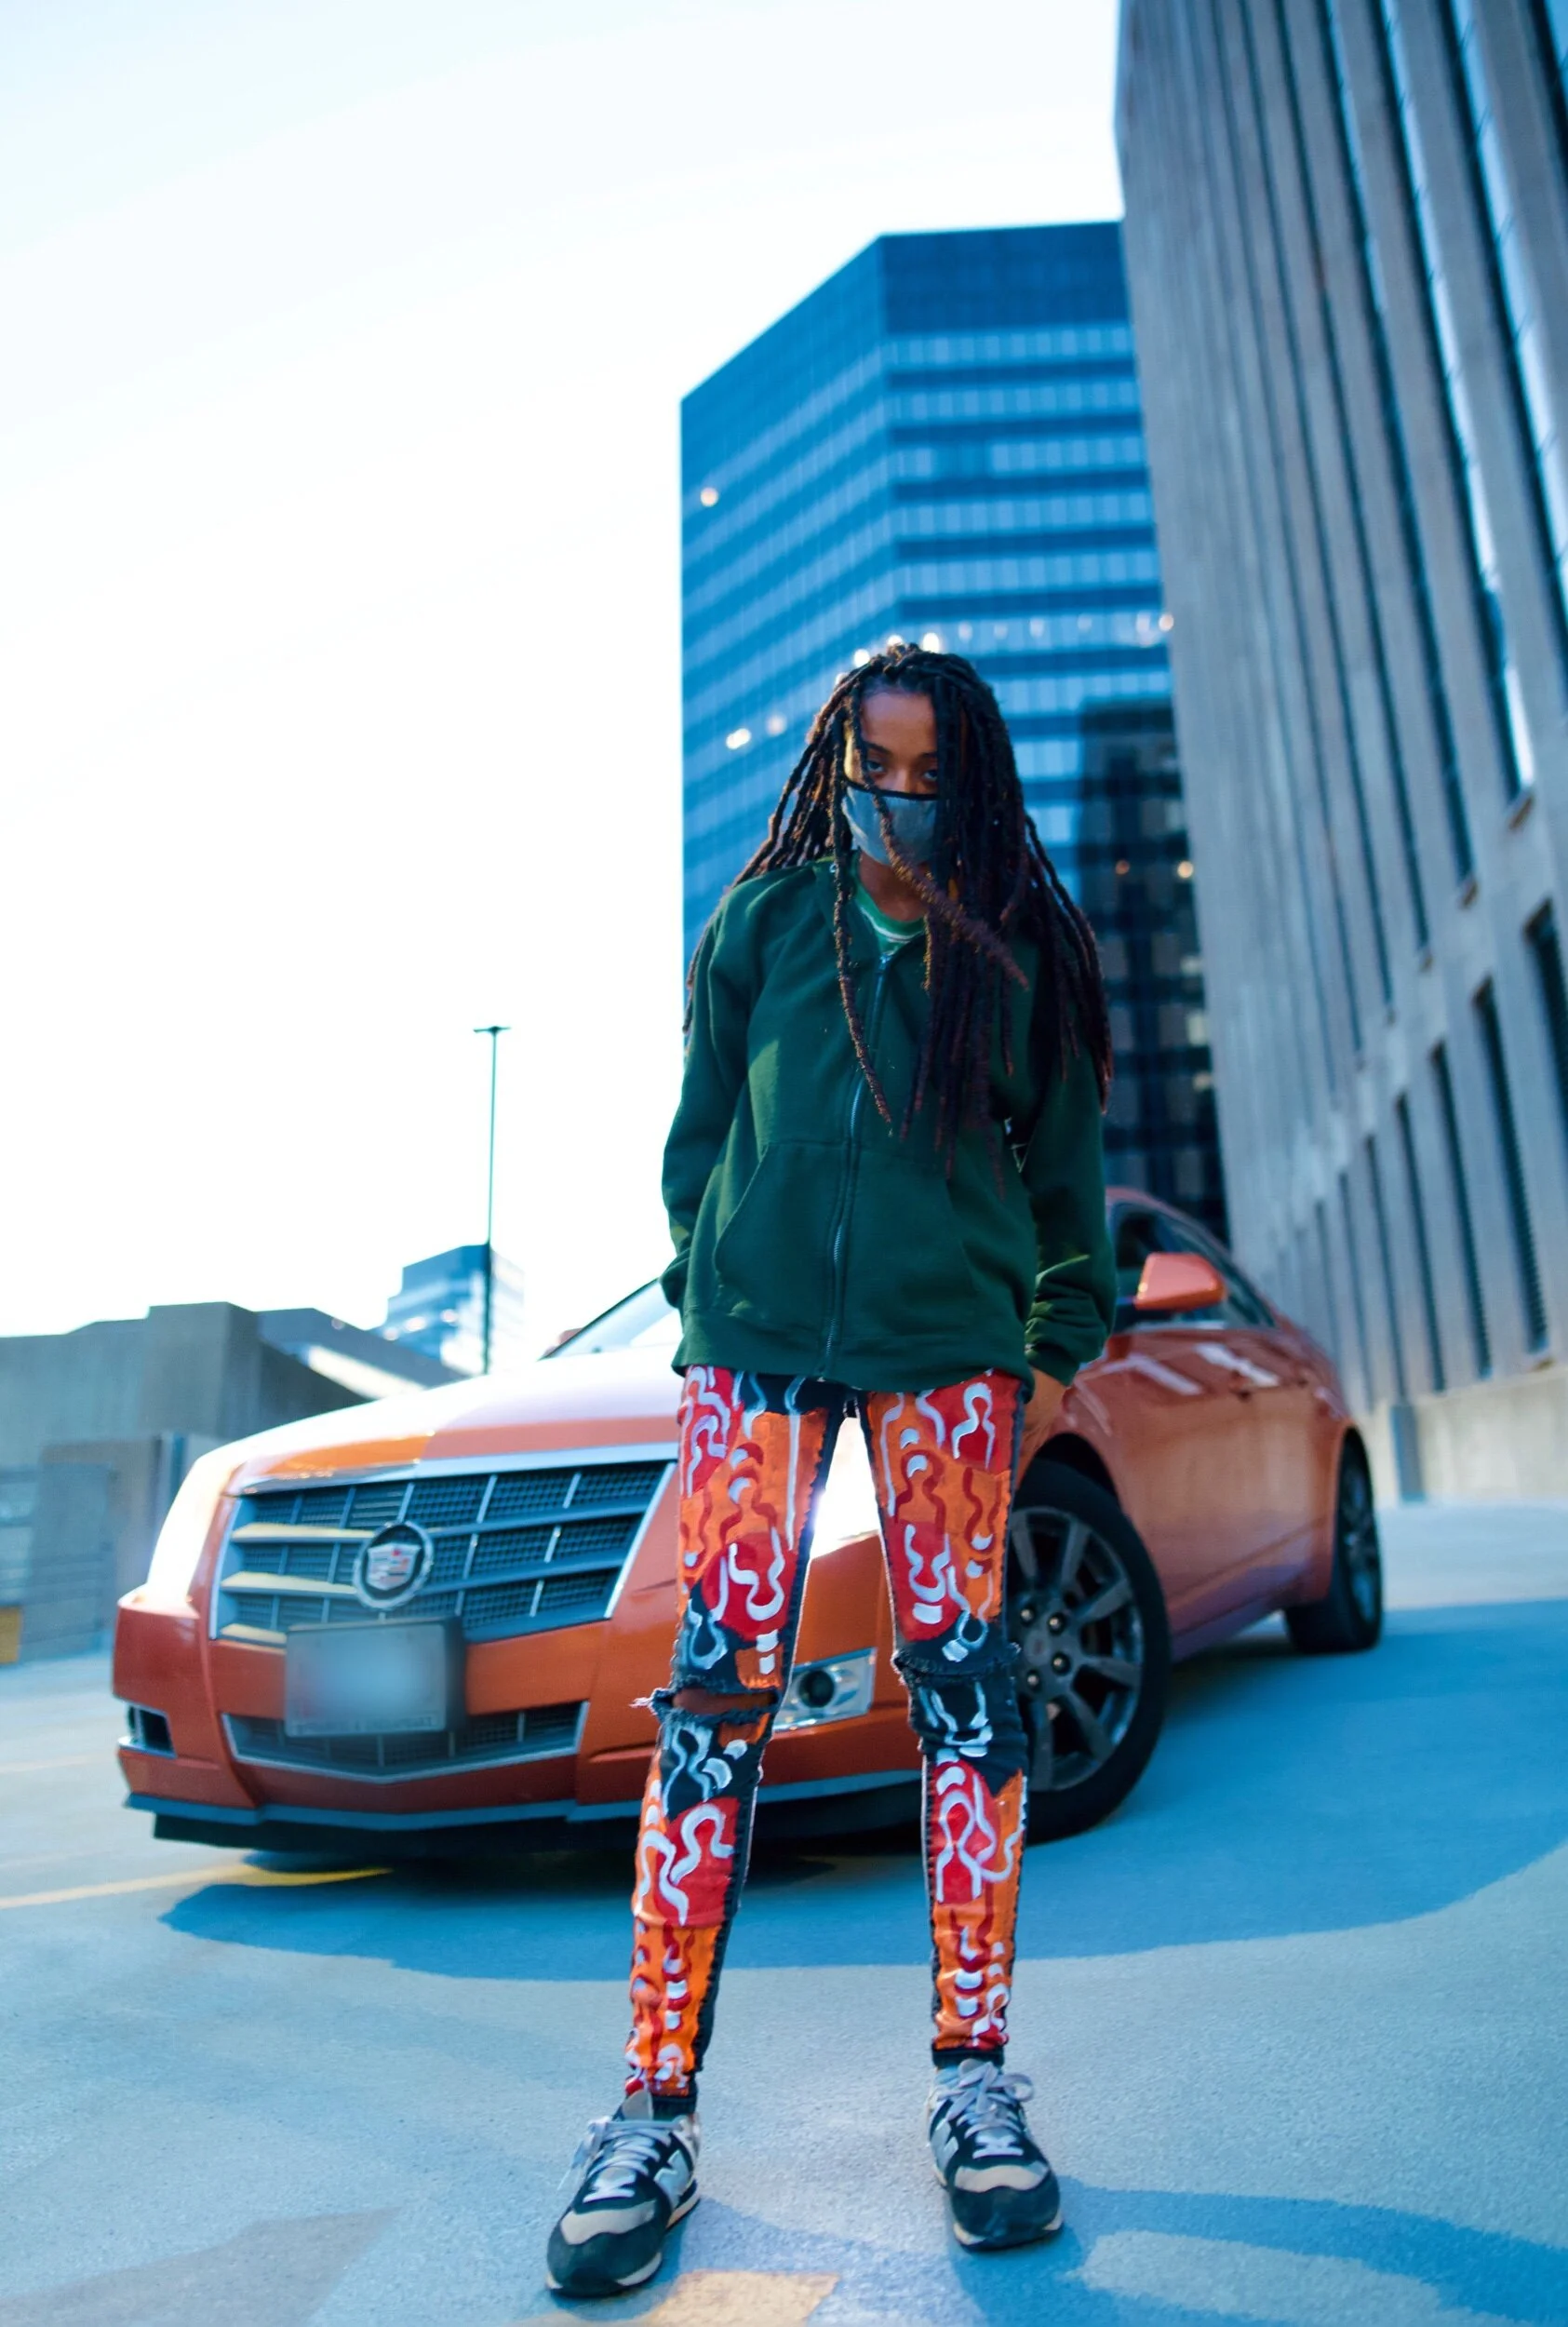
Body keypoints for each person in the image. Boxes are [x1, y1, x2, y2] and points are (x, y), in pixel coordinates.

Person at [547, 642, 1115, 2297]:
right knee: (713, 1697)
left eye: (935, 774)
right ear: (837, 766)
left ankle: (976, 2082)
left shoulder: (1018, 952)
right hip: (757, 1354)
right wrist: (711, 1296)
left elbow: (1068, 1184)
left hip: (951, 1361)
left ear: (974, 781)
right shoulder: (763, 926)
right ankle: (651, 2112)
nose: (903, 798)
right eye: (880, 768)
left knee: (964, 1694)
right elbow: (700, 1140)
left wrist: (1044, 1356)